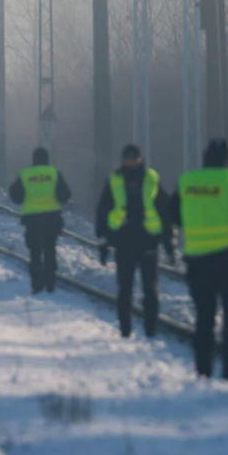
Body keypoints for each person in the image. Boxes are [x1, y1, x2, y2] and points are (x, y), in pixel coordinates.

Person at [171, 139, 228, 380]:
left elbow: (173, 215)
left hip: (198, 261)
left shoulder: (187, 182)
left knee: (204, 316)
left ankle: (203, 368)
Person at [95, 144, 174, 338]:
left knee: (148, 289)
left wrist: (168, 242)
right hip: (126, 241)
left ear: (140, 159)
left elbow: (164, 210)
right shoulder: (115, 180)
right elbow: (104, 208)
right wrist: (104, 239)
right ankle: (125, 330)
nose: (130, 161)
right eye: (127, 157)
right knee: (126, 288)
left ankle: (150, 330)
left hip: (146, 240)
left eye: (133, 157)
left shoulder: (151, 179)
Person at [9, 148, 72, 294]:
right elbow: (65, 195)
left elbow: (15, 196)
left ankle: (37, 284)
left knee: (35, 252)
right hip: (51, 219)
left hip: (32, 220)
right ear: (47, 159)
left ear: (33, 159)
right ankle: (50, 284)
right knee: (50, 250)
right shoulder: (54, 173)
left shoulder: (26, 174)